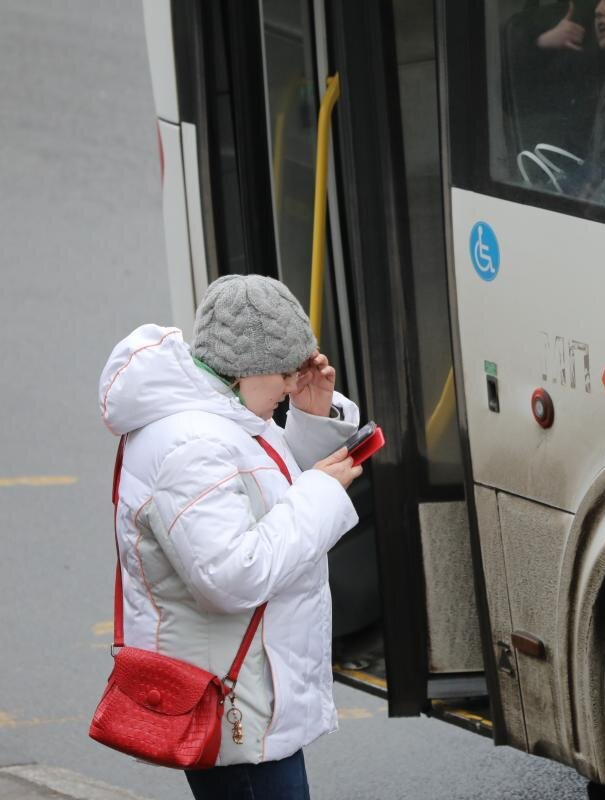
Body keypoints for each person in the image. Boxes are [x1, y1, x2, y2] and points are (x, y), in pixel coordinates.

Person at [97, 274, 364, 800]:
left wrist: (311, 419)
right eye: (286, 373)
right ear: (250, 367)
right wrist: (321, 494)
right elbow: (232, 575)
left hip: (244, 696)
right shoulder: (192, 445)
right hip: (231, 706)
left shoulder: (222, 416)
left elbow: (264, 494)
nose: (290, 386)